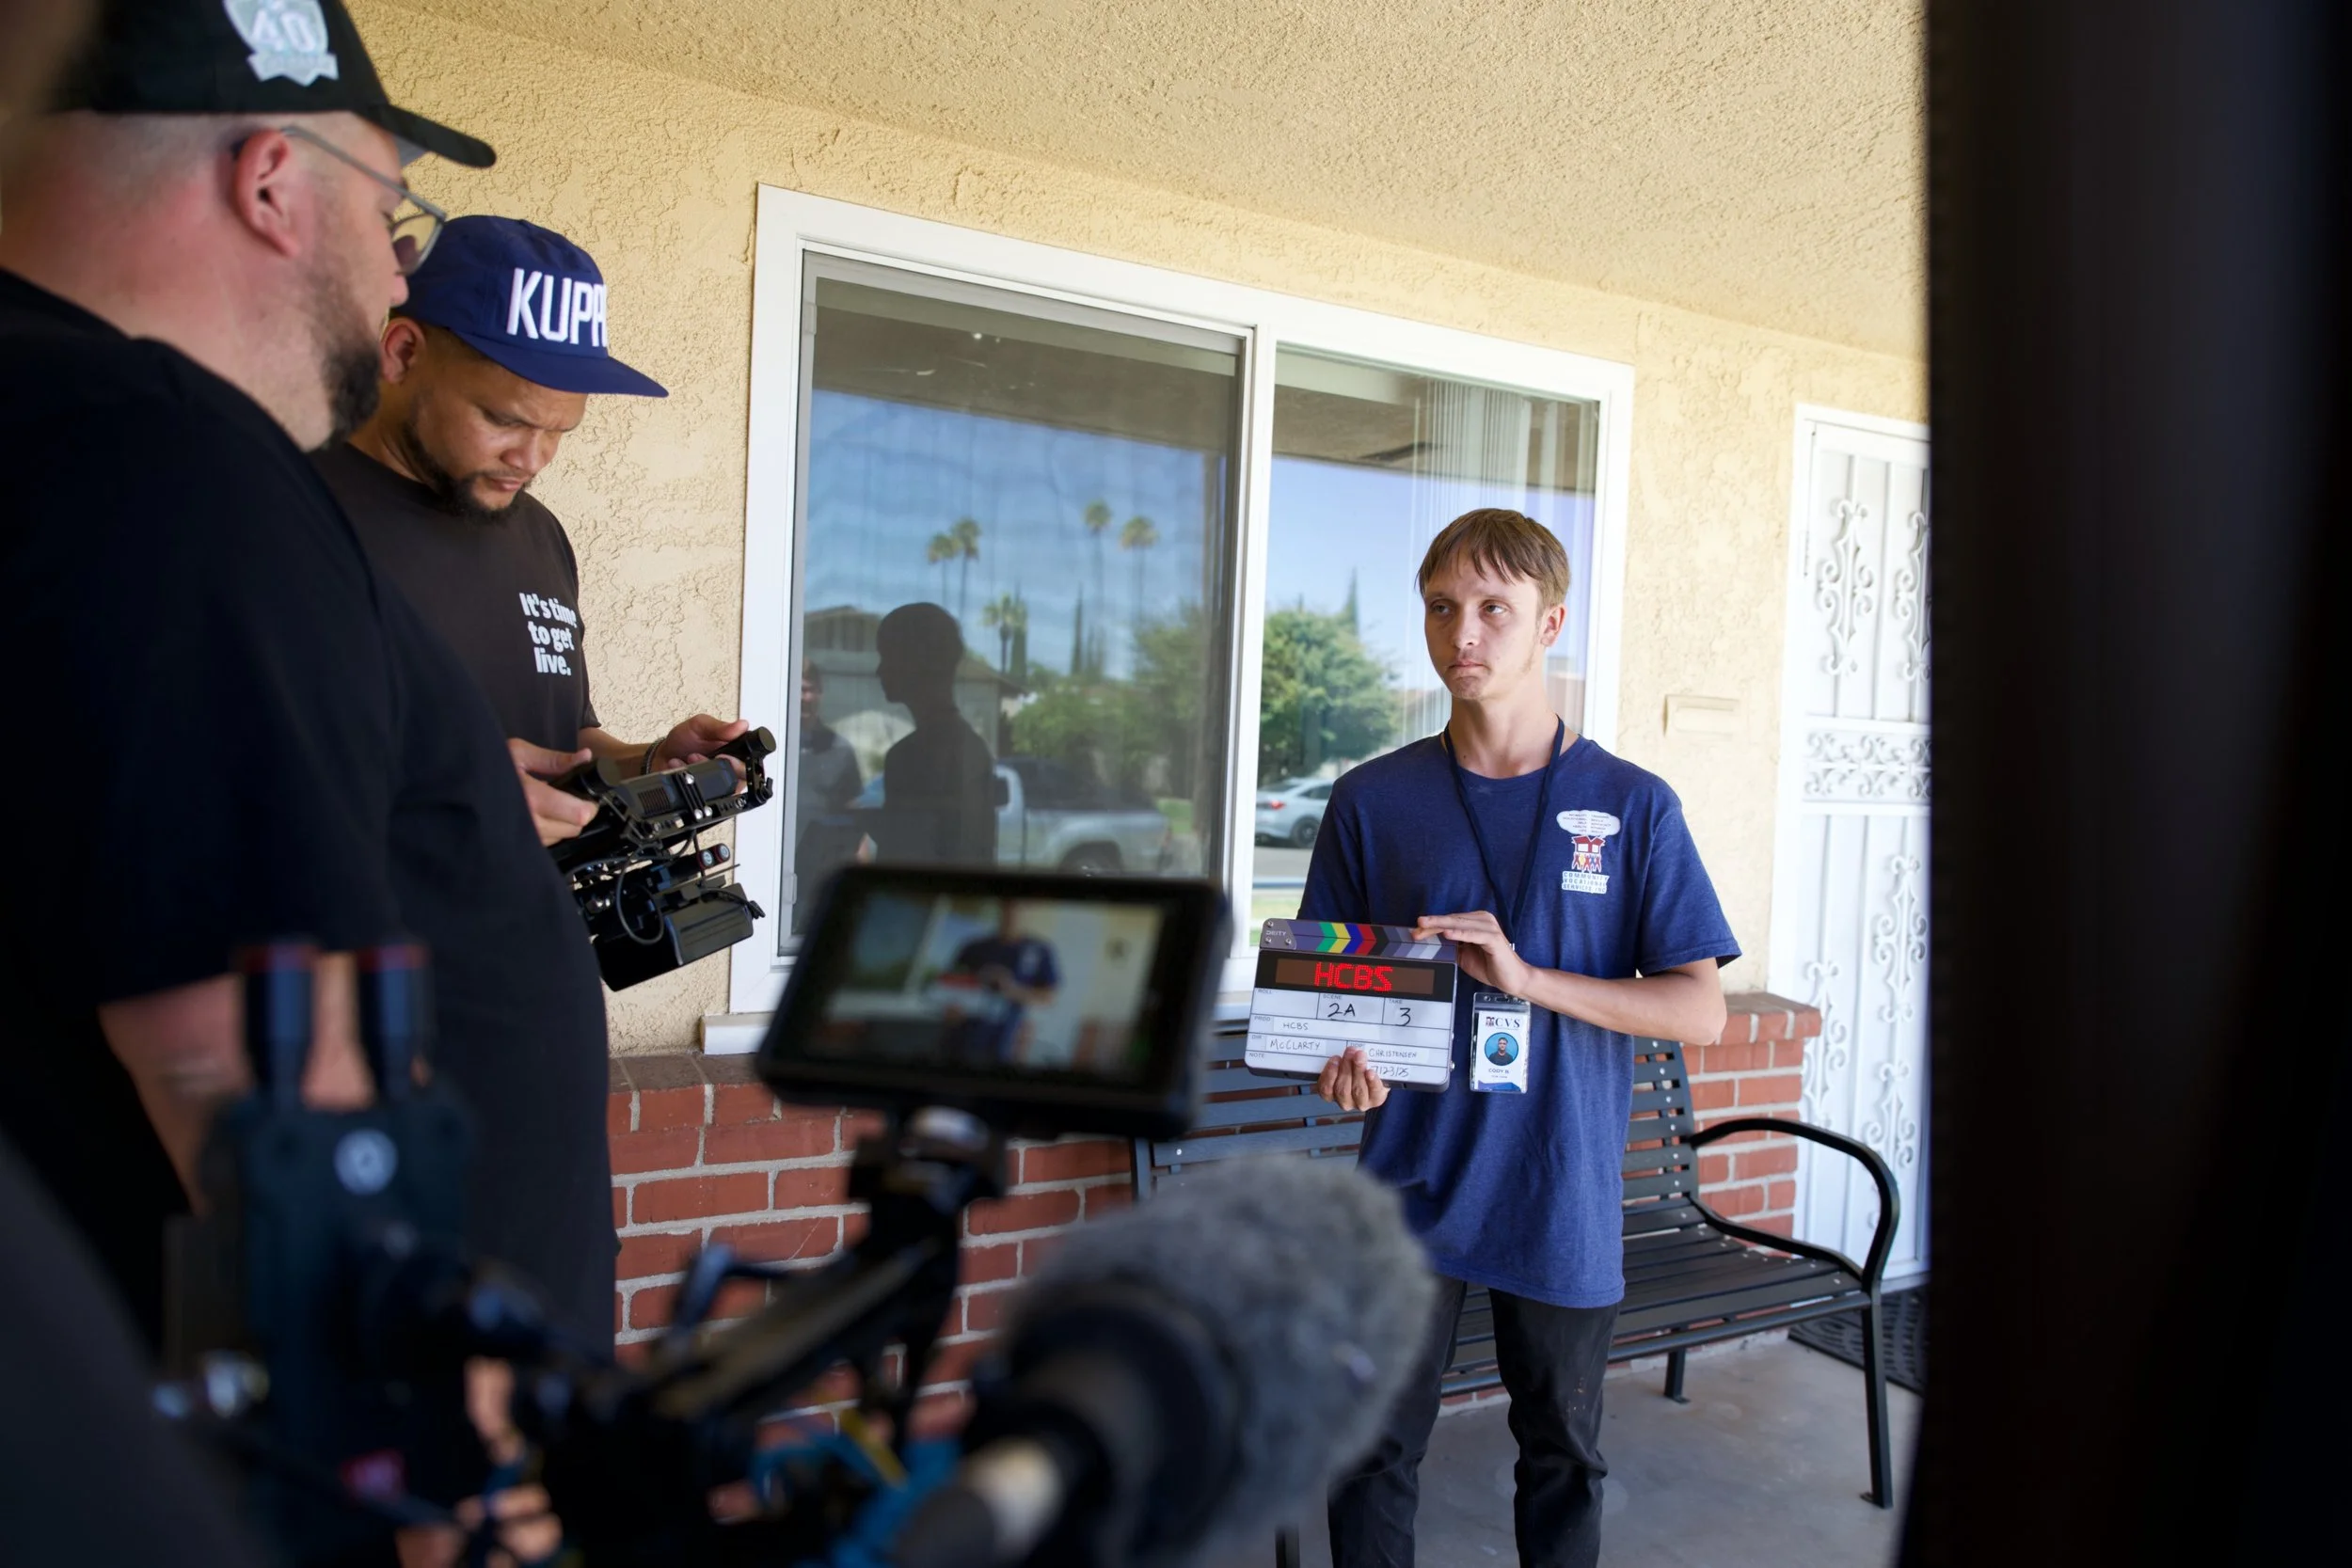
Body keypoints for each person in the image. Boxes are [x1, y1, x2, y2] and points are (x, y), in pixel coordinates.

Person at [0, 0, 613, 1350]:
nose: (401, 270)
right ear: (272, 181)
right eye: (391, 204)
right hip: (289, 1430)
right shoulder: (171, 465)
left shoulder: (59, 432)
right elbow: (248, 1074)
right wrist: (462, 1478)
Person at [1305, 508, 1737, 1568]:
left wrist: (1532, 979)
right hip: (1410, 1185)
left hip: (1560, 1186)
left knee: (1561, 1455)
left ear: (1550, 622)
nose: (1465, 632)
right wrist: (1341, 1071)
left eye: (1494, 607)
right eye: (1443, 607)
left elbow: (1700, 1010)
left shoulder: (1632, 805)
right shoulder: (1372, 800)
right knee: (1372, 1454)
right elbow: (1331, 1000)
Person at [312, 214, 748, 848]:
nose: (534, 459)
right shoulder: (282, 511)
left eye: (559, 432)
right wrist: (434, 806)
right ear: (403, 353)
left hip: (527, 940)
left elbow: (566, 745)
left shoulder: (539, 535)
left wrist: (646, 762)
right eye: (504, 420)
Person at [874, 601, 999, 865]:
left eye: (887, 657)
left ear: (915, 661)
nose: (879, 671)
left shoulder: (914, 756)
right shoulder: (970, 748)